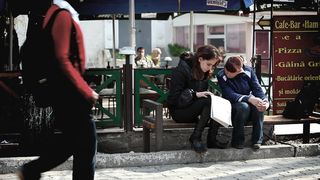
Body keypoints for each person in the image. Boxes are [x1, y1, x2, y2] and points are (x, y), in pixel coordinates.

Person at [17, 0, 99, 179]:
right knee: (86, 144)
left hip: (63, 91)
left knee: (71, 143)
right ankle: (31, 169)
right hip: (69, 92)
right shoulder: (61, 14)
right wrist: (86, 90)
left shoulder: (56, 12)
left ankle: (31, 170)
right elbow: (63, 59)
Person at [167, 45, 228, 153]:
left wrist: (207, 95)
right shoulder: (181, 71)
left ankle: (212, 139)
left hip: (193, 109)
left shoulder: (203, 71)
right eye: (208, 64)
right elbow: (174, 99)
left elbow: (202, 96)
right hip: (179, 111)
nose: (210, 68)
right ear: (200, 59)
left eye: (212, 66)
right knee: (208, 102)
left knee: (216, 102)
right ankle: (196, 137)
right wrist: (195, 94)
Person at [217, 56, 269, 150]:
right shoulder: (221, 75)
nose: (228, 74)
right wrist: (248, 99)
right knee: (243, 107)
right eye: (227, 71)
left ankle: (257, 140)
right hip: (232, 107)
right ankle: (237, 141)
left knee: (259, 105)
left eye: (232, 73)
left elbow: (257, 89)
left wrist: (265, 102)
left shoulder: (248, 71)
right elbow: (229, 94)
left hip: (248, 104)